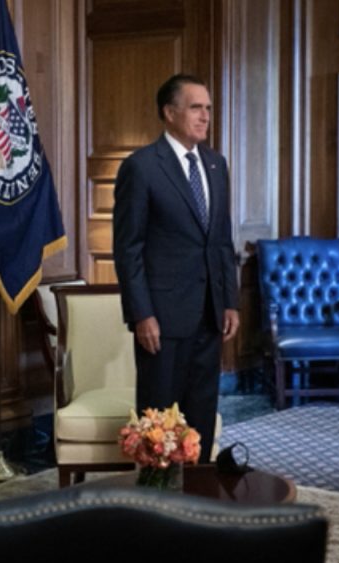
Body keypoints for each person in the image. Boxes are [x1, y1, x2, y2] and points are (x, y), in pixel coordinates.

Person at [112, 74, 240, 464]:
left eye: (208, 108)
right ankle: (159, 502)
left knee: (200, 412)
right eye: (196, 107)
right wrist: (142, 314)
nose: (205, 116)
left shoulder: (216, 165)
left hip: (209, 313)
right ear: (169, 113)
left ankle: (198, 500)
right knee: (160, 419)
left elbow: (220, 241)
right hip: (162, 318)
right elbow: (128, 248)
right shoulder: (142, 167)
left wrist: (230, 301)